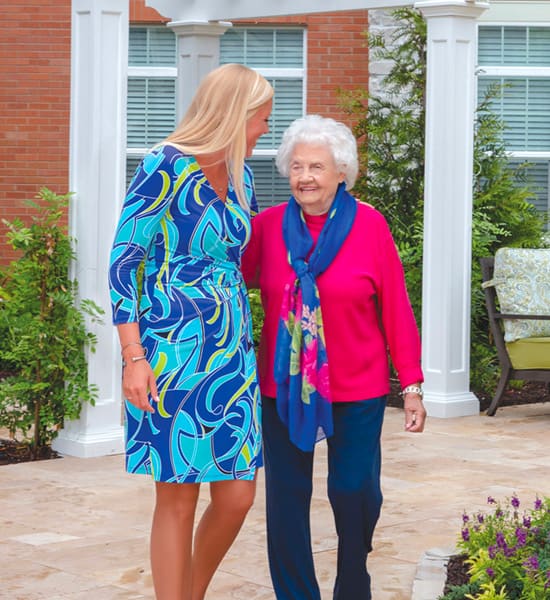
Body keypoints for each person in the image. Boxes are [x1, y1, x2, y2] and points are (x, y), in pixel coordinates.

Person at [241, 114, 427, 600]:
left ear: (341, 172)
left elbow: (396, 308)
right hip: (282, 386)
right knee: (286, 499)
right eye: (297, 166)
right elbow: (226, 282)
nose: (305, 177)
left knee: (353, 491)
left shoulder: (369, 226)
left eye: (317, 167)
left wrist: (411, 384)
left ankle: (352, 581)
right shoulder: (265, 229)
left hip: (357, 385)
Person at [108, 63, 273, 600]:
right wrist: (133, 356)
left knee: (237, 497)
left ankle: (190, 592)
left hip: (231, 352)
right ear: (233, 114)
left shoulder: (243, 174)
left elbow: (240, 258)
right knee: (177, 499)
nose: (264, 130)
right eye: (260, 119)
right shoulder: (165, 164)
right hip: (169, 350)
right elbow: (123, 261)